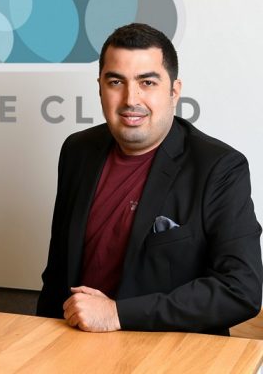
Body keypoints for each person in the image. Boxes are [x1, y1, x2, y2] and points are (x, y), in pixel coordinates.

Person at [37, 23, 262, 334]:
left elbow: (240, 289)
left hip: (171, 350)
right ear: (100, 88)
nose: (131, 98)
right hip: (75, 342)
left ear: (174, 91)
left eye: (147, 82)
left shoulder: (219, 167)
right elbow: (57, 274)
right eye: (116, 81)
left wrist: (118, 314)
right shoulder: (77, 151)